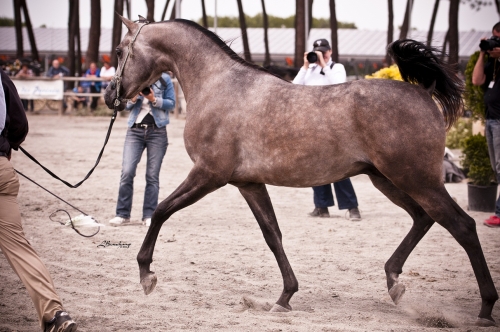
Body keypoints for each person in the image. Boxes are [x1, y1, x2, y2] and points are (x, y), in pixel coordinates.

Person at [0, 68, 77, 331]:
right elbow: (20, 122)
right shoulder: (1, 77)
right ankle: (54, 313)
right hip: (2, 169)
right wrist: (7, 145)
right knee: (20, 248)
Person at [293, 38, 362, 221]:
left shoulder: (336, 68)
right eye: (318, 52)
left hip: (332, 123)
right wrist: (305, 66)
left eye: (324, 52)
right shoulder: (308, 70)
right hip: (310, 122)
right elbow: (293, 88)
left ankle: (351, 207)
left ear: (330, 52)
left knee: (338, 165)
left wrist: (324, 65)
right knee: (315, 165)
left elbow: (339, 86)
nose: (321, 54)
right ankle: (321, 206)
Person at [109, 72, 175, 227]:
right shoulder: (136, 76)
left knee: (152, 176)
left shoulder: (165, 80)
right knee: (127, 172)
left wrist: (153, 99)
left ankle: (149, 215)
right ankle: (122, 214)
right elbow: (126, 107)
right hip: (135, 131)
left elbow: (171, 104)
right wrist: (132, 99)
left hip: (157, 132)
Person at [473, 22, 500, 227]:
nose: (494, 43)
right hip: (491, 120)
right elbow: (476, 80)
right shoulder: (493, 65)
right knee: (496, 168)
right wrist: (482, 53)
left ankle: (499, 213)